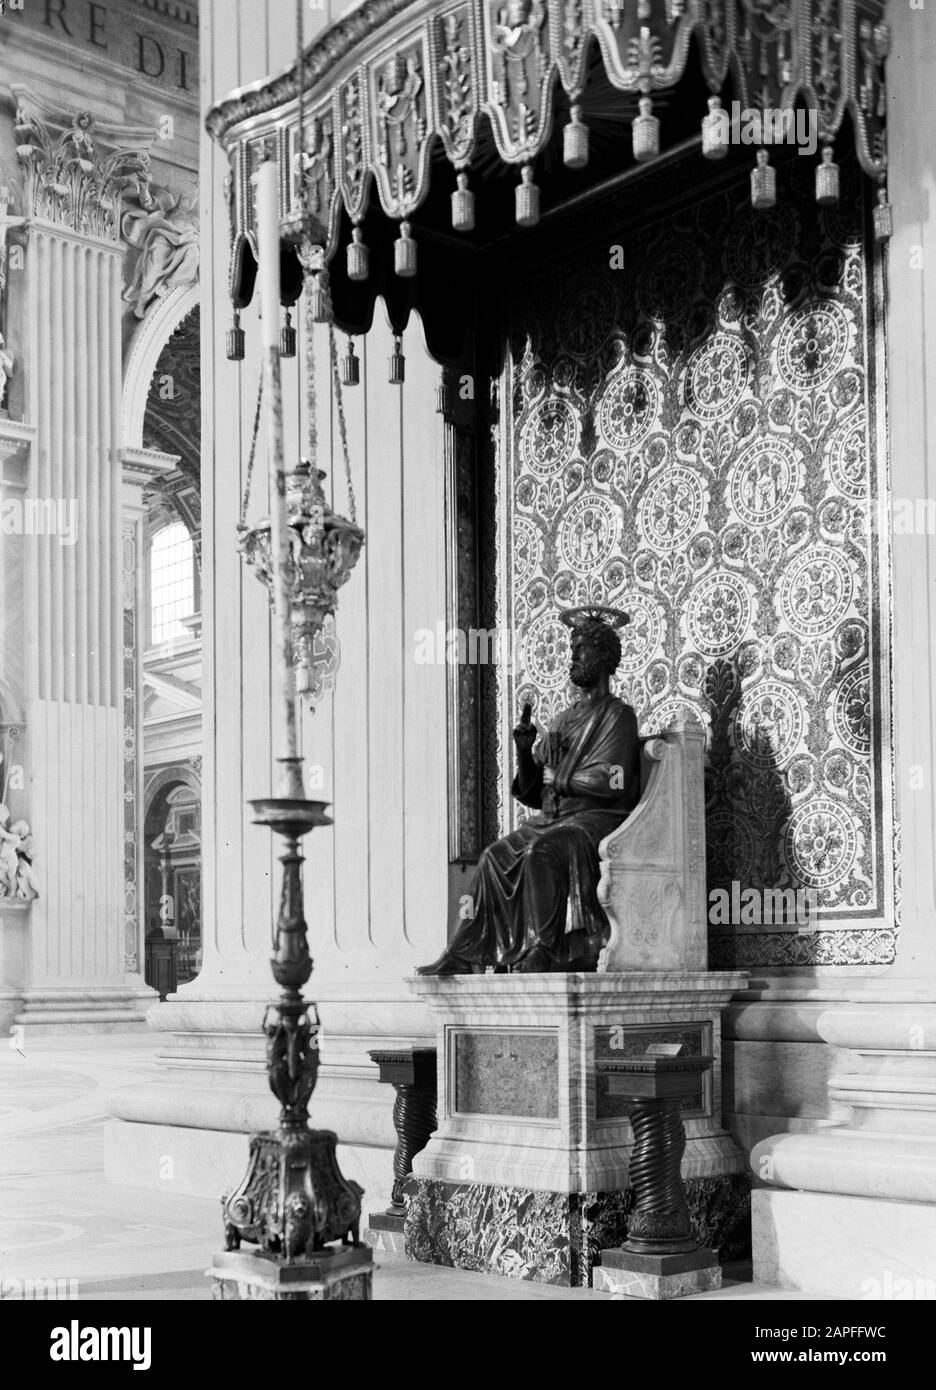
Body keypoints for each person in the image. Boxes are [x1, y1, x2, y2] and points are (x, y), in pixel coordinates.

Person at [418, 607, 640, 974]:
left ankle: (544, 947)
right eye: (573, 648)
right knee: (493, 857)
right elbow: (536, 792)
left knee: (542, 851)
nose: (573, 657)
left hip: (597, 821)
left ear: (604, 657)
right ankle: (464, 951)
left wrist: (561, 777)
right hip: (556, 818)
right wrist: (525, 750)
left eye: (582, 648)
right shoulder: (564, 719)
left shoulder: (617, 716)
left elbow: (612, 781)